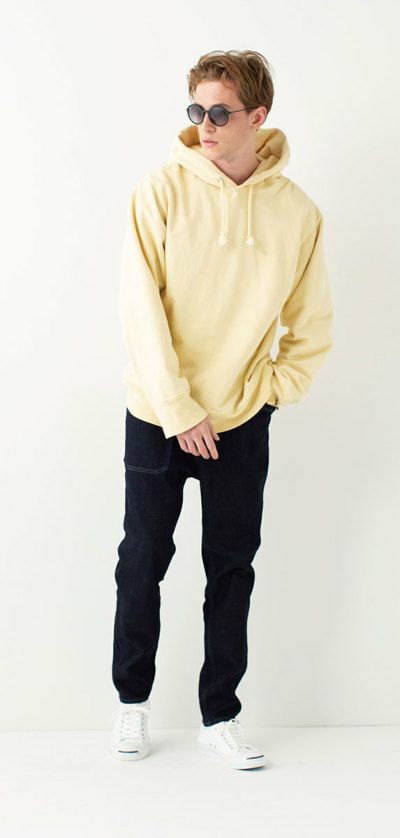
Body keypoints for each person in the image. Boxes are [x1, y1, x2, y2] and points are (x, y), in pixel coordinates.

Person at [110, 49, 334, 770]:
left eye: (218, 112)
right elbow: (139, 308)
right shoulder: (162, 190)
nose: (203, 125)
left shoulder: (296, 212)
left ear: (257, 117)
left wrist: (272, 391)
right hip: (158, 411)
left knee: (231, 567)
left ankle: (221, 714)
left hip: (240, 418)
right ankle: (131, 703)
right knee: (143, 559)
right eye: (196, 111)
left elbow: (311, 322)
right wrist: (179, 407)